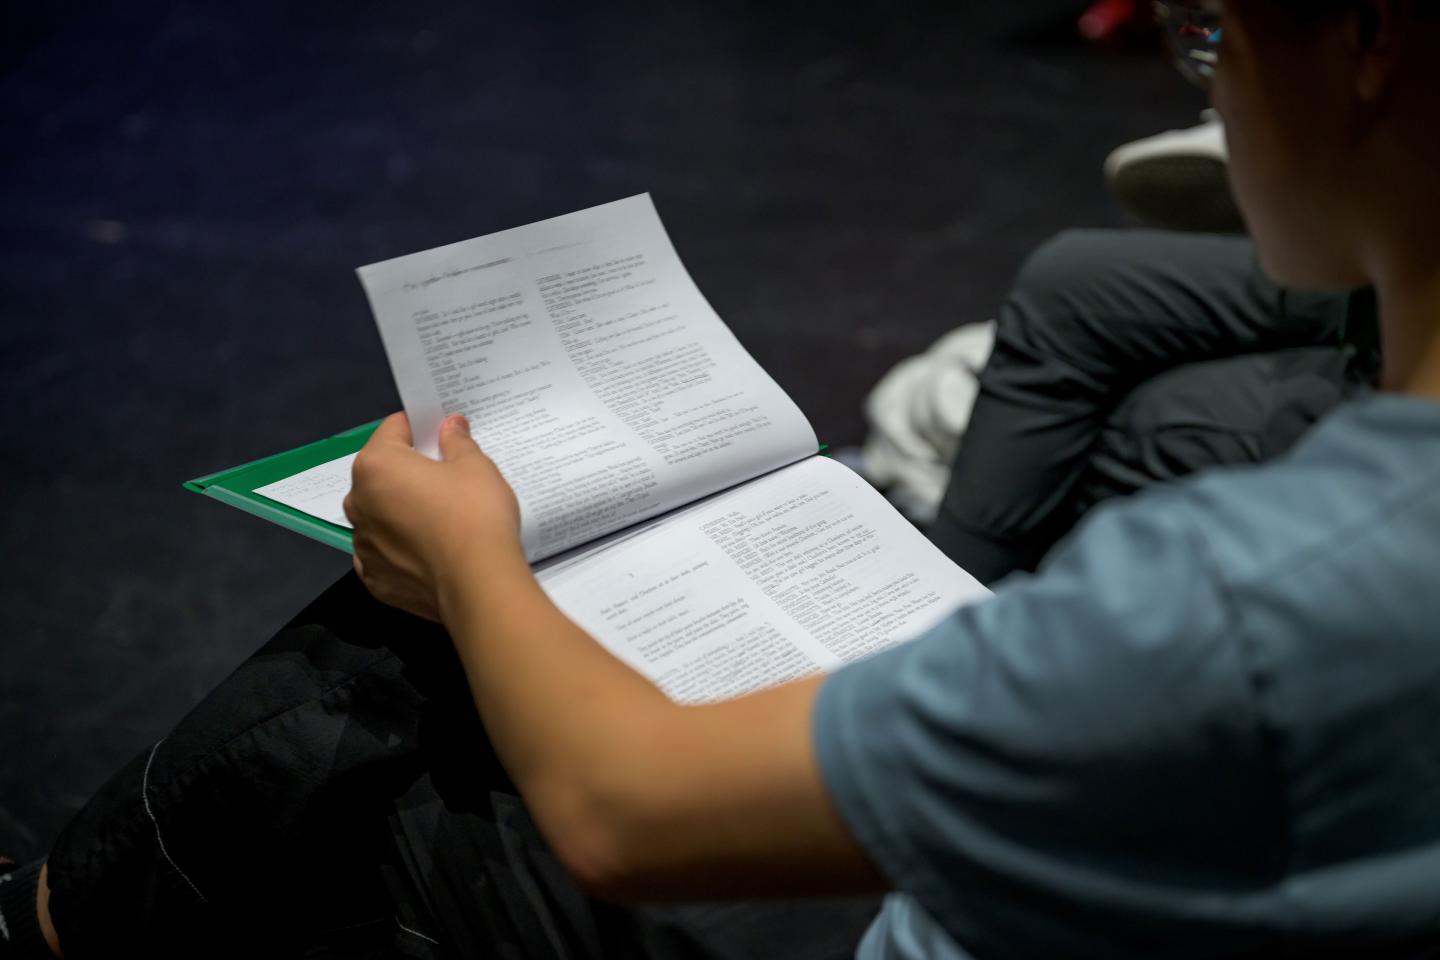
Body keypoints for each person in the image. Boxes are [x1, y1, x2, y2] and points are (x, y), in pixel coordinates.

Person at [4, 0, 1439, 956]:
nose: (1213, 87)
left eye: (1211, 41)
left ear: (1366, 42)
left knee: (381, 674)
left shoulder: (1264, 588)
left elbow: (620, 814)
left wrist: (474, 563)